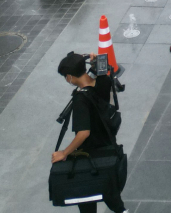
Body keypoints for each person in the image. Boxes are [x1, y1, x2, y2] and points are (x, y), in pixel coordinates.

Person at [53, 52, 126, 213]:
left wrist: (64, 153)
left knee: (86, 196)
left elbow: (83, 133)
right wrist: (96, 62)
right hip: (108, 147)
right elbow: (102, 72)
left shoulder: (81, 100)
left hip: (91, 153)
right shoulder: (103, 82)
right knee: (111, 193)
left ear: (69, 77)